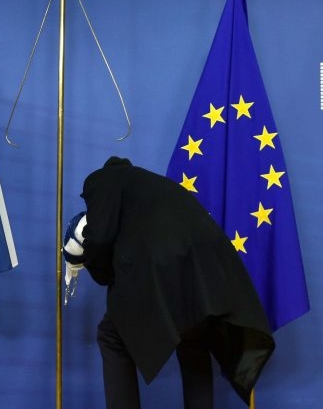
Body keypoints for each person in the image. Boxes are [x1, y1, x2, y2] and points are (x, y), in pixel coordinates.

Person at [63, 156, 275, 409]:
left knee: (112, 335)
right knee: (193, 337)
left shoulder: (100, 180)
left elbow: (100, 237)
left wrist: (94, 265)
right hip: (209, 268)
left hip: (167, 262)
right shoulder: (156, 185)